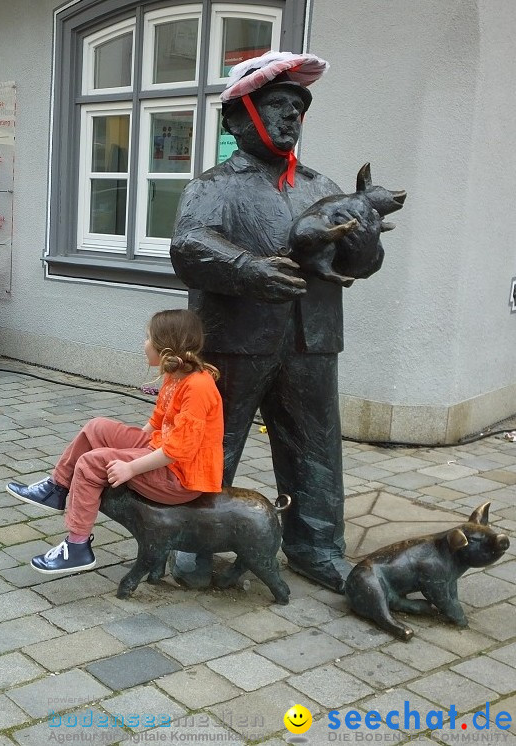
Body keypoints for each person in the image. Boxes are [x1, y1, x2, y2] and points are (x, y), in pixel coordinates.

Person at [169, 52, 386, 592]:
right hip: (234, 341)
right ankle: (194, 546)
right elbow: (188, 246)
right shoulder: (213, 185)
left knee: (315, 446)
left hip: (311, 339)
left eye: (297, 107)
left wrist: (366, 241)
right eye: (277, 106)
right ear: (239, 119)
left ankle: (316, 548)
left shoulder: (322, 187)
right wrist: (247, 269)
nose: (291, 116)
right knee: (213, 445)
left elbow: (358, 266)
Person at [6, 309, 224, 574]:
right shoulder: (175, 376)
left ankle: (77, 546)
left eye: (147, 338)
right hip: (164, 455)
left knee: (91, 464)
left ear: (165, 346)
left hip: (181, 478)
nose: (143, 344)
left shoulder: (198, 387)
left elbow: (178, 450)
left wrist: (130, 466)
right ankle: (57, 488)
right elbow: (156, 422)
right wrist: (132, 450)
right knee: (96, 427)